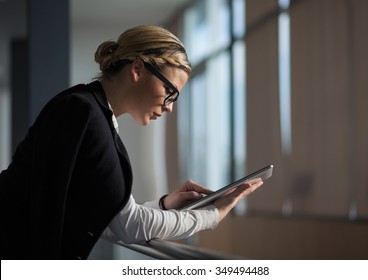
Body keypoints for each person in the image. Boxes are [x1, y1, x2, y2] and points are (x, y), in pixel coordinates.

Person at [0, 25, 263, 260]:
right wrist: (212, 216)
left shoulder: (91, 112)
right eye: (170, 92)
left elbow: (107, 219)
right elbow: (128, 226)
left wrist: (163, 205)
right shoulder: (83, 112)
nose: (169, 107)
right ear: (137, 69)